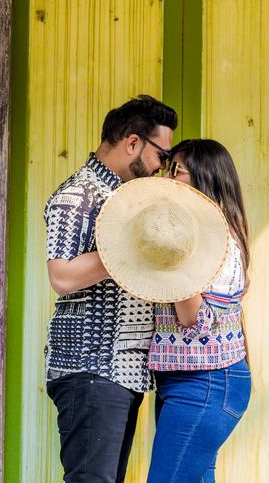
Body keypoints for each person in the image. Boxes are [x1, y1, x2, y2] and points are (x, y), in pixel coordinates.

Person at [43, 94, 177, 483]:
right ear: (133, 143)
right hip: (91, 369)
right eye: (161, 155)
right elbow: (62, 276)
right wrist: (133, 247)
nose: (161, 166)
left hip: (120, 372)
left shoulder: (121, 197)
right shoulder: (79, 196)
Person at [147, 139, 252, 483]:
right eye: (168, 168)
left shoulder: (211, 239)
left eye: (178, 170)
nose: (167, 177)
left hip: (205, 383)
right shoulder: (212, 233)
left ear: (205, 178)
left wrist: (175, 258)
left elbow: (195, 321)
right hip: (191, 382)